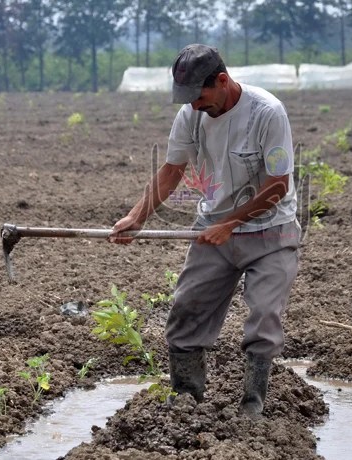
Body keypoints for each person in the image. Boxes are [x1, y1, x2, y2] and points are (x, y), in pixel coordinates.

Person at [109, 44, 299, 417]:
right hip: (214, 228)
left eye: (200, 96)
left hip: (271, 232)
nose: (194, 105)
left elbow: (278, 185)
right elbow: (171, 171)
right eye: (188, 99)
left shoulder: (267, 113)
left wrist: (232, 223)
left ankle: (252, 404)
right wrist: (137, 216)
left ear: (222, 81)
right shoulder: (190, 115)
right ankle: (186, 400)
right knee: (187, 309)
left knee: (264, 314)